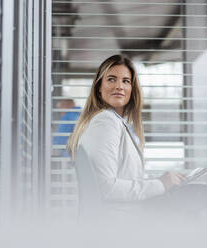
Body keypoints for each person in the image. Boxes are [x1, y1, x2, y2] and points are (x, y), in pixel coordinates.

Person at [66, 54, 187, 221]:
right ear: (99, 88)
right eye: (111, 79)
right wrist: (160, 184)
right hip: (120, 226)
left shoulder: (115, 123)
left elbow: (124, 179)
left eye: (126, 81)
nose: (119, 86)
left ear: (132, 89)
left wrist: (162, 182)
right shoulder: (105, 122)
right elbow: (106, 187)